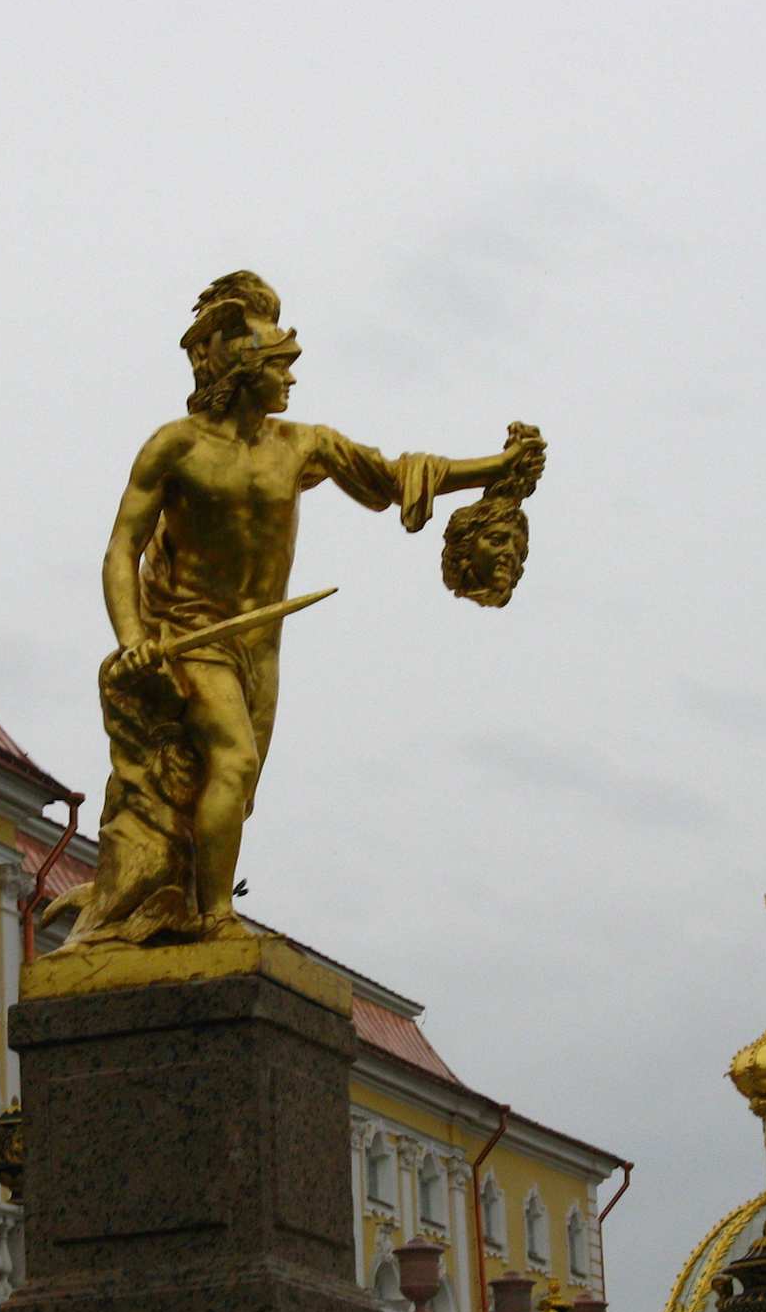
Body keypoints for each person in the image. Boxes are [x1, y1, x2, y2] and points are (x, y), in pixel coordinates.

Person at [96, 272, 545, 939]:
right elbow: (121, 549)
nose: (292, 379)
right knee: (234, 761)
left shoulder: (300, 446)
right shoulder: (176, 447)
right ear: (243, 371)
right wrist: (133, 637)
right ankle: (217, 918)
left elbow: (394, 476)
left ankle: (179, 902)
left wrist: (497, 469)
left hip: (260, 650)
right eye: (280, 365)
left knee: (233, 790)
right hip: (193, 634)